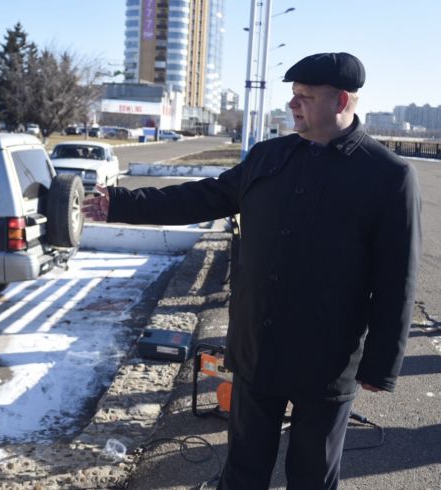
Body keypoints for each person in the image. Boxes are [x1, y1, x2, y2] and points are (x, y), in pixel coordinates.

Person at [83, 52, 421, 489]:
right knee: (242, 471)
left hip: (328, 359)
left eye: (305, 96)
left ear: (340, 101)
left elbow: (397, 279)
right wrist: (122, 204)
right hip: (257, 346)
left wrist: (381, 365)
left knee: (312, 476)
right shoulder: (269, 156)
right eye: (292, 96)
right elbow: (203, 198)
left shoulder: (388, 176)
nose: (293, 105)